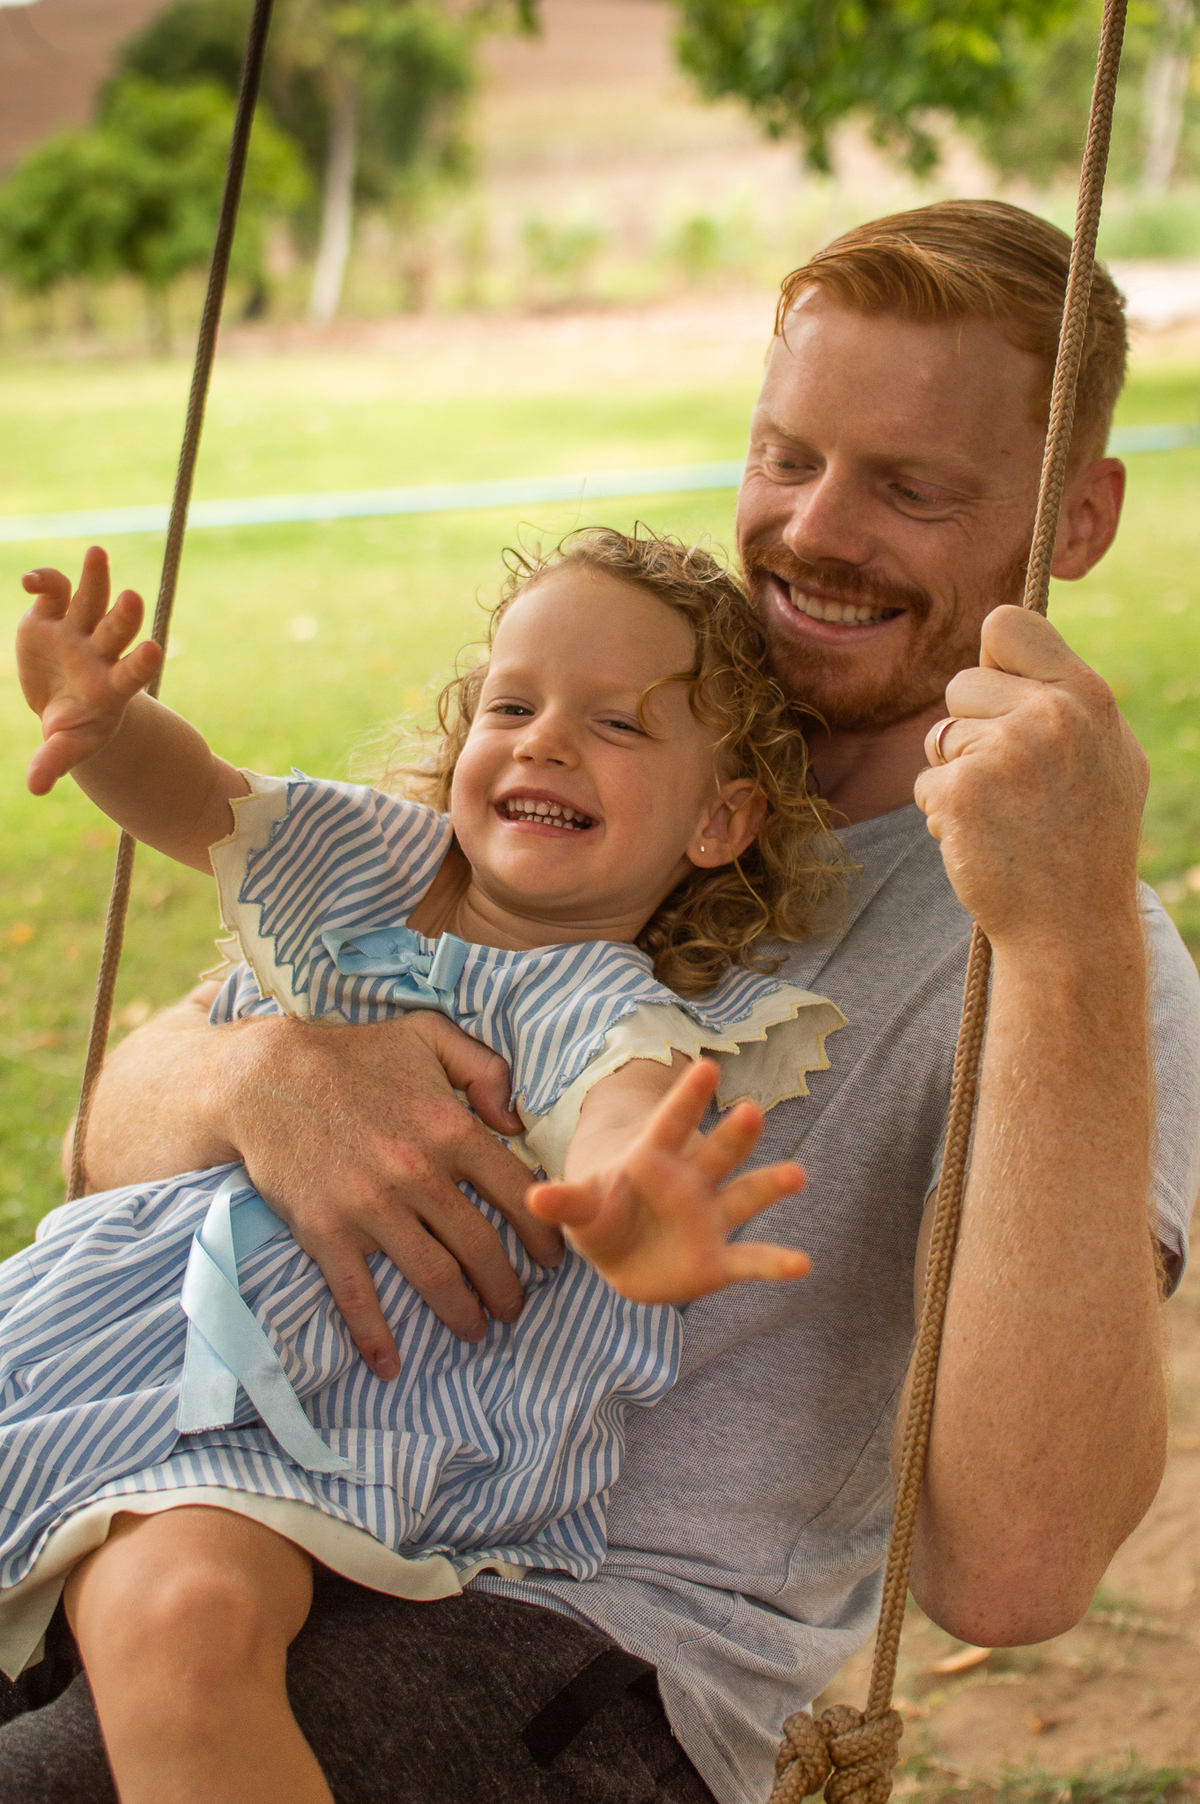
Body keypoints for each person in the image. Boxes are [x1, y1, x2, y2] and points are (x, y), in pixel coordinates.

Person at [2, 199, 1199, 1804]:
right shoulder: (586, 739)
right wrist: (260, 1077)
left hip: (576, 1648)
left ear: (1079, 517)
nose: (816, 531)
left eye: (909, 487)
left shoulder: (1086, 958)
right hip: (223, 1455)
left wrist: (1057, 945)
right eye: (788, 458)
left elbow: (1019, 1576)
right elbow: (104, 1148)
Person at [3, 529, 849, 1803]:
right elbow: (204, 800)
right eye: (513, 704)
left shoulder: (597, 1004)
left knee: (181, 1621)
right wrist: (106, 721)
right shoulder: (371, 871)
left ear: (720, 817)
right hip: (89, 1343)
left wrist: (635, 1217)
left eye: (618, 725)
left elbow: (619, 1121)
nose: (546, 740)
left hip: (296, 1419)